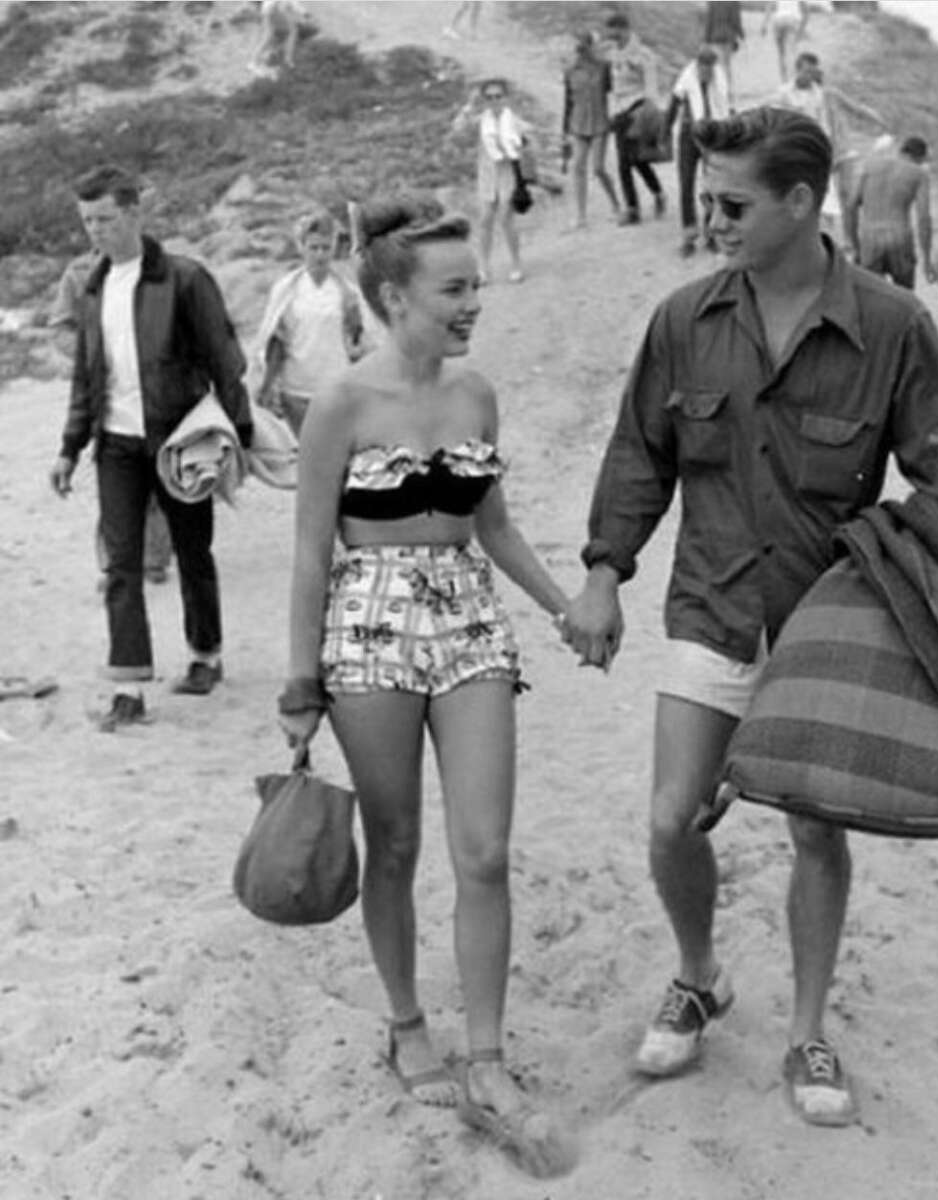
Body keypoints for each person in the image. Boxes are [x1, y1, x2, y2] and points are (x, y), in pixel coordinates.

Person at [561, 108, 938, 1127]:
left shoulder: (893, 327)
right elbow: (640, 456)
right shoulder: (682, 321)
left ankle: (809, 1030)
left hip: (827, 630)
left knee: (815, 835)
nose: (708, 218)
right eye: (706, 198)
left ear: (802, 202)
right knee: (673, 816)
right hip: (712, 605)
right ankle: (701, 972)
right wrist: (601, 572)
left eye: (730, 203)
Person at [277, 195, 573, 1165]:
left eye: (475, 284)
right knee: (395, 841)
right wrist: (298, 677)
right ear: (396, 297)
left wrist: (562, 605)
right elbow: (311, 553)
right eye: (455, 288)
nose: (472, 302)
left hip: (468, 617)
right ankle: (407, 1022)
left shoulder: (476, 395)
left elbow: (493, 525)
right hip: (367, 625)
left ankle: (486, 1054)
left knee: (484, 849)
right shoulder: (341, 405)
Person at [48, 165, 252, 730]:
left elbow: (224, 358)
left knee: (192, 552)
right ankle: (130, 686)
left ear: (135, 212)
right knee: (121, 564)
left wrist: (241, 432)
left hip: (179, 439)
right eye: (87, 221)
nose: (96, 231)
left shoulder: (184, 278)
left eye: (106, 219)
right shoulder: (90, 286)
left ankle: (205, 653)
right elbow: (87, 378)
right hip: (116, 443)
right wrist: (70, 446)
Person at [48, 250, 174, 586]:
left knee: (156, 480)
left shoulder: (156, 267)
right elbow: (59, 326)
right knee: (115, 487)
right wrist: (89, 350)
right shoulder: (78, 273)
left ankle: (154, 558)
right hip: (104, 397)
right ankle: (115, 564)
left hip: (153, 394)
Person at [255, 210, 366, 438]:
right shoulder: (287, 291)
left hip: (336, 389)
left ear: (334, 248)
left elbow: (359, 341)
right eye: (313, 247)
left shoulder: (347, 293)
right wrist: (265, 386)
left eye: (326, 247)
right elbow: (276, 342)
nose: (320, 254)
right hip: (296, 391)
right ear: (302, 247)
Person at [773, 52, 889, 243]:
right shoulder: (785, 93)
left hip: (834, 151)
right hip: (801, 151)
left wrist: (874, 117)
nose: (810, 76)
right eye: (806, 71)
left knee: (838, 196)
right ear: (798, 70)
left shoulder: (822, 94)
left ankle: (844, 239)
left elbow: (852, 109)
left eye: (813, 72)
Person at [451, 78, 528, 283]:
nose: (494, 101)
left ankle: (516, 263)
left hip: (508, 174)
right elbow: (458, 129)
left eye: (498, 96)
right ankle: (483, 268)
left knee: (505, 217)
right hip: (487, 175)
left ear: (505, 98)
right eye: (489, 97)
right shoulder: (481, 121)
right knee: (485, 220)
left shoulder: (513, 121)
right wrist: (469, 106)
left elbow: (526, 140)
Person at [602, 11, 667, 227]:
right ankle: (644, 201)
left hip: (637, 108)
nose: (612, 35)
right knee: (628, 161)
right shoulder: (613, 54)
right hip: (620, 111)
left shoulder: (641, 54)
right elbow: (613, 86)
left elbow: (650, 84)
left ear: (624, 29)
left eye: (615, 31)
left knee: (633, 160)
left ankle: (640, 204)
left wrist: (649, 110)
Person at [845, 135, 935, 291]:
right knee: (904, 301)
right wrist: (927, 260)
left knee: (870, 298)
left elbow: (850, 205)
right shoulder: (919, 175)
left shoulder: (869, 166)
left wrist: (855, 245)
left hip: (870, 239)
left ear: (901, 151)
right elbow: (924, 219)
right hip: (900, 239)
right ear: (920, 158)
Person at [666, 47, 732, 257]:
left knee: (712, 184)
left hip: (712, 136)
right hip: (689, 136)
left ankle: (710, 232)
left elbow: (726, 107)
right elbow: (672, 107)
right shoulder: (686, 79)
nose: (706, 74)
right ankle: (688, 235)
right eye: (703, 69)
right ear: (697, 66)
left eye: (709, 69)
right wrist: (664, 132)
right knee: (686, 183)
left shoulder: (720, 80)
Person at [562, 30, 621, 230]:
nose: (582, 52)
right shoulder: (570, 71)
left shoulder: (604, 67)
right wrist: (564, 133)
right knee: (578, 166)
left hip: (599, 124)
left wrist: (615, 115)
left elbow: (613, 92)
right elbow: (567, 103)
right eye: (580, 48)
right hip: (578, 125)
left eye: (586, 47)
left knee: (598, 168)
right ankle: (580, 216)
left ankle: (616, 205)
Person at [247, 0, 303, 75]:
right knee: (270, 37)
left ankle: (285, 58)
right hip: (271, 9)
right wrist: (301, 11)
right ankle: (253, 63)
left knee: (287, 31)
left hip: (271, 9)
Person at [703, 2, 744, 98]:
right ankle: (728, 90)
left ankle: (719, 89)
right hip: (728, 37)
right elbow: (736, 21)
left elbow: (709, 20)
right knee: (726, 64)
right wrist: (741, 35)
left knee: (718, 65)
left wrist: (706, 39)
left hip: (715, 36)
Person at [762, 0, 809, 84]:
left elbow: (769, 5)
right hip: (792, 20)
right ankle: (793, 81)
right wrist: (801, 31)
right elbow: (806, 12)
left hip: (778, 20)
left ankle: (784, 82)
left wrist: (764, 24)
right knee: (792, 53)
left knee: (781, 55)